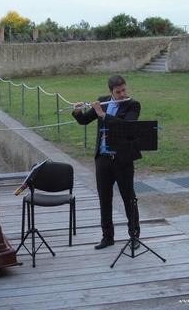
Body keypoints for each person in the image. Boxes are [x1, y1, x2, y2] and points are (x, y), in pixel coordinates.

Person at [72, 75, 141, 250]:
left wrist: (103, 115)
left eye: (124, 90)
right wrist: (78, 112)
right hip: (103, 159)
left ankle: (134, 237)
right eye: (118, 92)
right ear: (111, 92)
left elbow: (127, 126)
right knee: (104, 199)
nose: (123, 94)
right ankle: (107, 237)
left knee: (129, 198)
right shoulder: (102, 101)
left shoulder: (132, 105)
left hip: (122, 159)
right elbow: (85, 121)